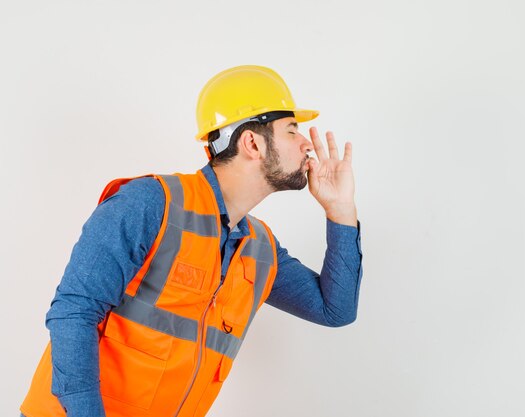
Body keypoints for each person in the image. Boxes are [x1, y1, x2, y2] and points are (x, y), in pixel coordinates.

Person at [20, 65, 362, 417]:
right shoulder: (150, 203)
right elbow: (73, 313)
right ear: (252, 142)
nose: (307, 143)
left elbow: (334, 310)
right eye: (292, 130)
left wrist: (341, 209)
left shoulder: (261, 248)